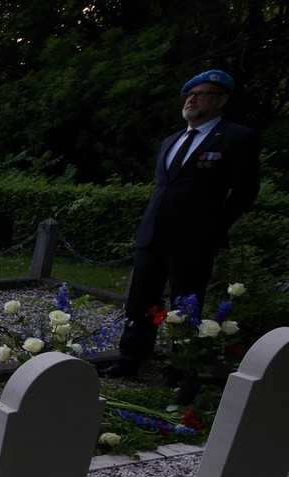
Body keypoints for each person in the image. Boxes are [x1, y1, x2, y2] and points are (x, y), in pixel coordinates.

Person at [102, 69, 261, 378]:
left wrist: (215, 226)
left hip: (193, 239)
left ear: (221, 100)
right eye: (189, 94)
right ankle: (129, 360)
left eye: (202, 94)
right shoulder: (172, 140)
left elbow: (245, 191)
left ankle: (178, 368)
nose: (192, 99)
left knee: (184, 306)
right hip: (152, 234)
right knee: (139, 302)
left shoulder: (236, 137)